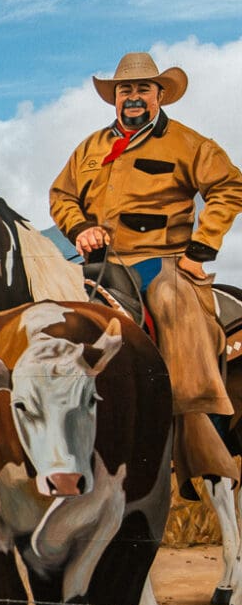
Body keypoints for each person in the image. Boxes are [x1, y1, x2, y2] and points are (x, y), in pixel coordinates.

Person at [49, 50, 242, 478]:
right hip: (99, 262)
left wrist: (201, 249)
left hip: (165, 259)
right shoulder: (90, 149)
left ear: (160, 96)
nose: (133, 97)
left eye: (142, 89)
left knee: (176, 306)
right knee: (50, 314)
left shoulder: (191, 144)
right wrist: (80, 227)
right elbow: (61, 196)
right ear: (115, 98)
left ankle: (198, 433)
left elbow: (230, 187)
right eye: (125, 90)